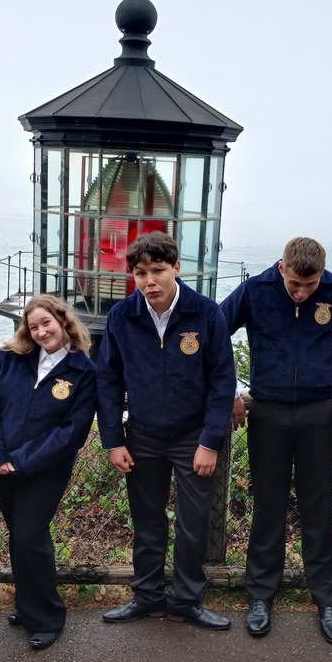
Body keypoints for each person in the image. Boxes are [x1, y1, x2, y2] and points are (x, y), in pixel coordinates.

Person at [221, 237, 332, 642]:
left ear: (322, 272)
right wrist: (230, 390)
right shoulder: (255, 290)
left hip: (319, 412)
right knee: (268, 504)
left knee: (318, 506)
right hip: (266, 410)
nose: (303, 293)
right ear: (281, 266)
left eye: (311, 284)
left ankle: (327, 599)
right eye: (296, 285)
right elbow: (214, 331)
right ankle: (260, 595)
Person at [97, 231, 236, 630]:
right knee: (147, 521)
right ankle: (147, 596)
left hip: (193, 438)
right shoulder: (122, 317)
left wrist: (210, 441)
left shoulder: (206, 313)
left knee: (193, 523)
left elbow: (223, 380)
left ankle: (187, 600)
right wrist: (113, 441)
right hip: (141, 435)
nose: (149, 281)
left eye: (158, 270)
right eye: (141, 273)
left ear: (176, 268)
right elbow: (108, 382)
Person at [0, 294, 97, 650]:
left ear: (63, 322)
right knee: (22, 537)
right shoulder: (11, 358)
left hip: (45, 470)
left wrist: (22, 460)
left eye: (47, 323)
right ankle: (28, 604)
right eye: (34, 326)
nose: (42, 331)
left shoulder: (83, 372)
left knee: (29, 536)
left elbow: (72, 431)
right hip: (0, 465)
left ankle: (47, 617)